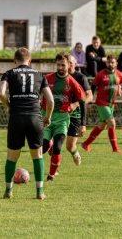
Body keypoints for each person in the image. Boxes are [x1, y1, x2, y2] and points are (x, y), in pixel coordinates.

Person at [0, 47, 54, 200]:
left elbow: (0, 92)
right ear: (30, 61)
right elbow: (51, 101)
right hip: (35, 118)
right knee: (38, 155)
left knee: (12, 156)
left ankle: (8, 191)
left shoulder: (9, 73)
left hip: (16, 118)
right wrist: (47, 117)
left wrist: (9, 106)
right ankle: (40, 192)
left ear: (15, 61)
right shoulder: (39, 75)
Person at [41, 52, 86, 182]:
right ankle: (48, 143)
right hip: (46, 117)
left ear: (69, 65)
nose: (60, 68)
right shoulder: (47, 79)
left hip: (62, 119)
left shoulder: (72, 82)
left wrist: (83, 124)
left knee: (58, 147)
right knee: (42, 149)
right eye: (58, 65)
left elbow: (83, 102)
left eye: (63, 65)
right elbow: (36, 94)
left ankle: (51, 176)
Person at [81, 54, 122, 153]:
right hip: (101, 103)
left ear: (116, 63)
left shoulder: (119, 75)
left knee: (102, 126)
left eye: (112, 62)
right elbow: (92, 88)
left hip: (111, 104)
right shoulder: (100, 74)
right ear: (106, 63)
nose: (110, 64)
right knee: (112, 123)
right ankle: (115, 148)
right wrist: (90, 102)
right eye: (108, 62)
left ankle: (86, 143)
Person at [66, 55, 92, 162]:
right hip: (60, 114)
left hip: (75, 114)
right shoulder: (59, 77)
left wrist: (76, 104)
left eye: (71, 62)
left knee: (70, 146)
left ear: (75, 64)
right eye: (67, 62)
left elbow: (90, 96)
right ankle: (54, 170)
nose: (68, 65)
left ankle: (75, 152)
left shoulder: (81, 78)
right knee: (52, 144)